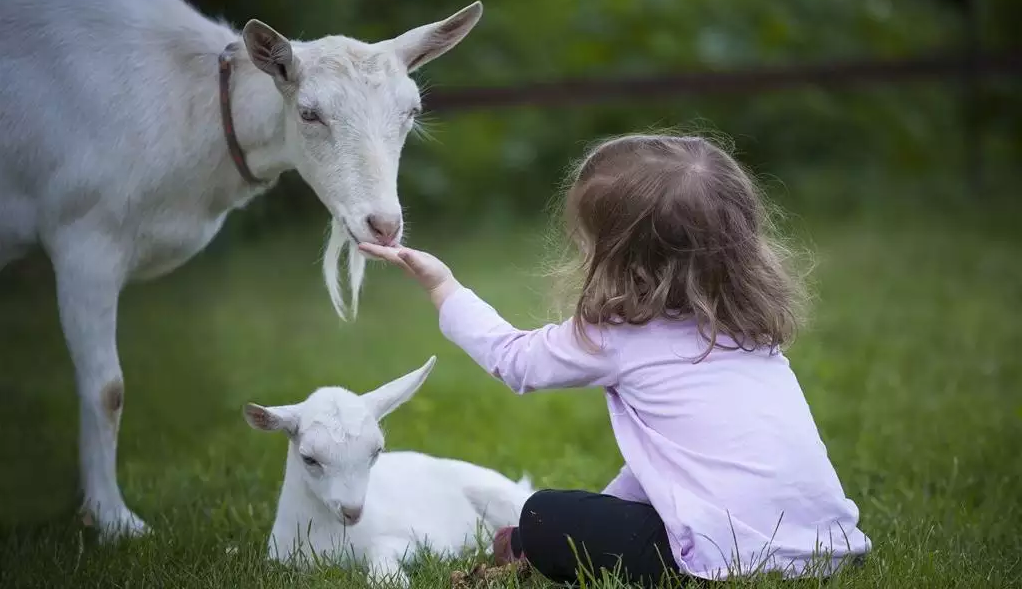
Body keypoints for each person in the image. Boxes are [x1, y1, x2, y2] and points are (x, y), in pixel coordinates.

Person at [360, 133, 870, 586]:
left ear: (620, 257)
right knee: (573, 516)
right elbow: (670, 469)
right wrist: (603, 509)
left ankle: (524, 546)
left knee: (542, 515)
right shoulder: (752, 335)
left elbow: (514, 359)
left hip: (724, 559)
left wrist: (443, 286)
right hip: (825, 548)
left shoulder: (620, 336)